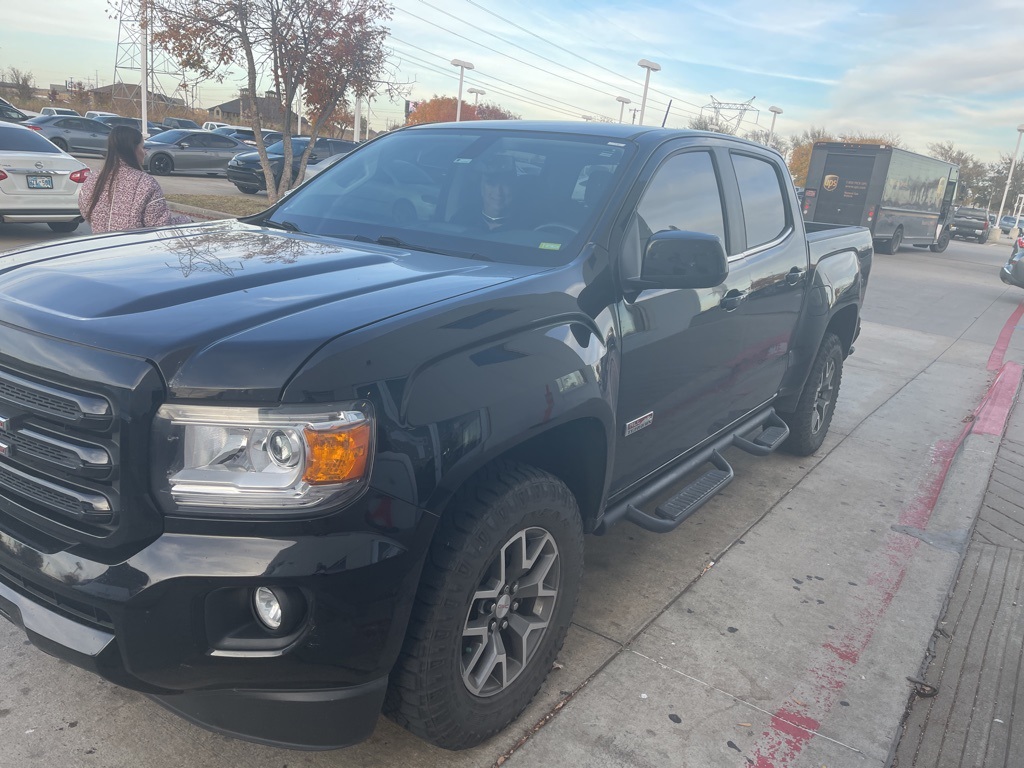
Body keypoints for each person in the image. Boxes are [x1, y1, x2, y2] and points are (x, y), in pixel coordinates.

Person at [79, 125, 190, 233]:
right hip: (133, 245)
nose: (145, 152)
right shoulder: (146, 183)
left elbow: (86, 212)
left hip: (100, 244)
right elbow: (160, 225)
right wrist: (186, 221)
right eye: (142, 147)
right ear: (132, 149)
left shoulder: (93, 179)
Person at [453, 156, 524, 231]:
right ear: (481, 187)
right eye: (492, 183)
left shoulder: (527, 226)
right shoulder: (461, 218)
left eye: (505, 184)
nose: (498, 191)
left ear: (514, 188)